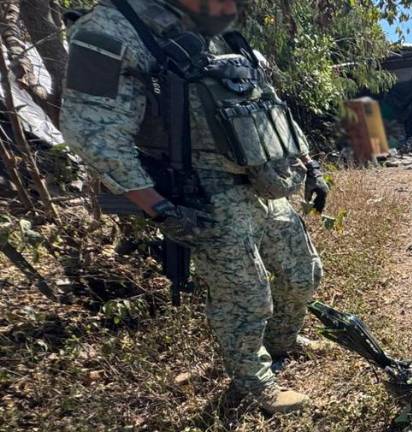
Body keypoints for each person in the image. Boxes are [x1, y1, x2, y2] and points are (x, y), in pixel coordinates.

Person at [59, 0, 330, 414]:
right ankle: (254, 382)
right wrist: (159, 207)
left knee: (303, 274)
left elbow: (270, 105)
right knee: (246, 296)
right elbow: (91, 132)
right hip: (205, 192)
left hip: (264, 182)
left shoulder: (217, 31)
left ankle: (282, 342)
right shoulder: (117, 26)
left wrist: (310, 166)